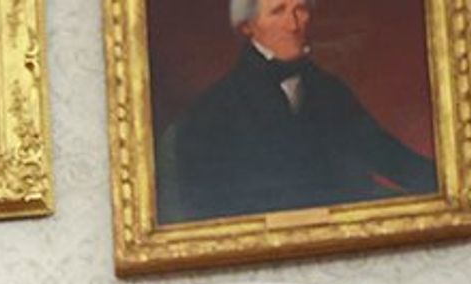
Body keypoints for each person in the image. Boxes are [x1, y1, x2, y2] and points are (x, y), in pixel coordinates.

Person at [168, 0, 437, 223]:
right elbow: (206, 210)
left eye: (301, 9)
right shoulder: (212, 111)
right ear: (247, 26)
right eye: (278, 11)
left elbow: (386, 154)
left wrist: (451, 183)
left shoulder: (329, 90)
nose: (294, 24)